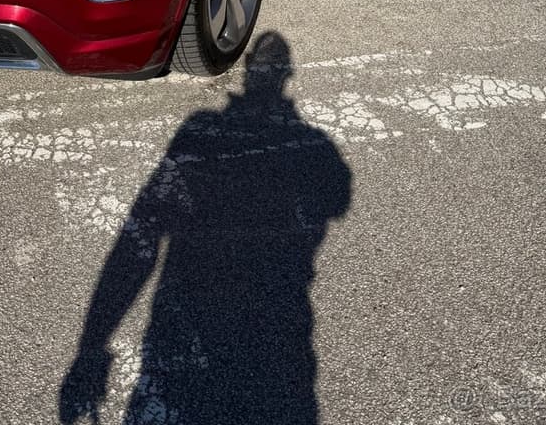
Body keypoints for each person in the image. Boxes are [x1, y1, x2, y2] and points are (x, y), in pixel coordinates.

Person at [59, 32, 352, 424]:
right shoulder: (314, 144)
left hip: (197, 308)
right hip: (280, 320)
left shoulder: (200, 128)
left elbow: (141, 236)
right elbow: (335, 202)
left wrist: (93, 345)